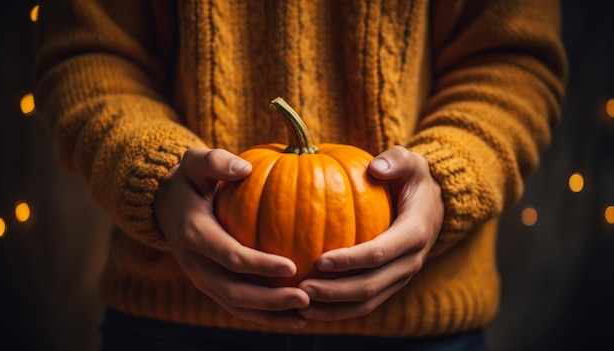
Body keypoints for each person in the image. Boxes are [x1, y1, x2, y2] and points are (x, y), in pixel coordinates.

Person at [33, 0, 567, 350]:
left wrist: (447, 181)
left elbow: (513, 61)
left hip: (420, 323)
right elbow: (87, 56)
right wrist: (158, 177)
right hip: (171, 318)